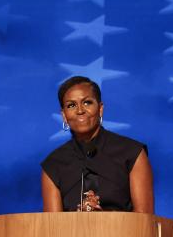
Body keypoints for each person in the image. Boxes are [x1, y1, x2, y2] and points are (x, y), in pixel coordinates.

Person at [41, 76, 154, 213]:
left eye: (87, 102)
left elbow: (144, 222)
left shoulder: (133, 154)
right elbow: (52, 228)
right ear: (64, 115)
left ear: (100, 109)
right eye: (71, 105)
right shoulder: (53, 165)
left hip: (124, 233)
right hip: (71, 234)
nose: (80, 110)